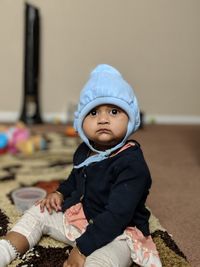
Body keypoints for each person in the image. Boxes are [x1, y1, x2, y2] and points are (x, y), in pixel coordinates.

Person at [0, 64, 162, 267]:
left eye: (113, 111)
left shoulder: (132, 165)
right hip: (83, 219)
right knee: (38, 212)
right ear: (81, 122)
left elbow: (117, 215)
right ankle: (5, 249)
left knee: (102, 260)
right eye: (93, 113)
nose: (103, 119)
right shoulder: (86, 150)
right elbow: (75, 179)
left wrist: (82, 249)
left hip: (118, 233)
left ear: (131, 119)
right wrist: (60, 193)